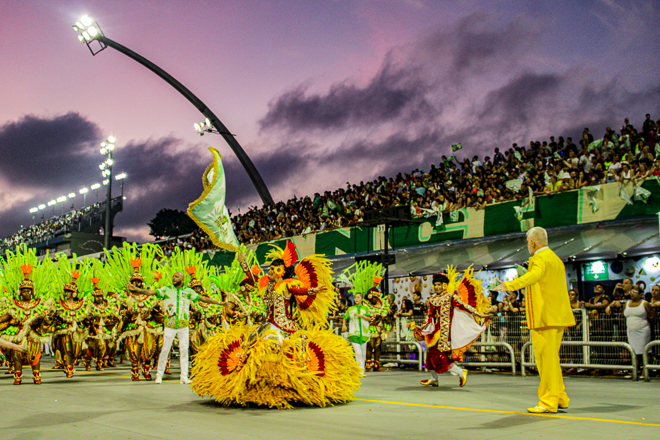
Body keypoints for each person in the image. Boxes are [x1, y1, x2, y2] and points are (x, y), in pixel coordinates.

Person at [494, 227, 575, 413]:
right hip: (557, 316)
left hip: (544, 318)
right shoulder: (555, 258)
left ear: (532, 242)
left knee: (545, 362)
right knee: (552, 360)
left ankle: (548, 402)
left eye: (527, 243)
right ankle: (560, 397)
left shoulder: (539, 259)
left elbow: (534, 276)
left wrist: (510, 285)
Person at [127, 270, 224, 384]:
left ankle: (184, 377)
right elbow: (151, 292)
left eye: (176, 277)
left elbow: (203, 299)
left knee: (184, 351)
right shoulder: (166, 289)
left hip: (184, 326)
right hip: (170, 325)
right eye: (173, 276)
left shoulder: (188, 291)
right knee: (165, 350)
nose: (174, 278)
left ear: (182, 280)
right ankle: (159, 375)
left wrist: (219, 303)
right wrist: (137, 290)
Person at [420, 271, 490, 388]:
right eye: (435, 285)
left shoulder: (450, 297)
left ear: (444, 285)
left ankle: (461, 372)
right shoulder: (432, 299)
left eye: (439, 284)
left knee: (440, 357)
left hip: (446, 333)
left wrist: (479, 315)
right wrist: (421, 327)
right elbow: (429, 316)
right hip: (435, 332)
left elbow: (464, 306)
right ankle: (434, 379)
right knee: (430, 355)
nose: (436, 287)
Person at [606, 285, 657, 376]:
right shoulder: (627, 304)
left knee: (645, 351)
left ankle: (645, 371)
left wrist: (647, 322)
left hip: (643, 330)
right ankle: (634, 371)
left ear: (641, 294)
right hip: (631, 331)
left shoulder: (644, 303)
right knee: (634, 351)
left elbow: (653, 315)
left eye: (634, 292)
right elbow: (623, 314)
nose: (632, 294)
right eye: (631, 292)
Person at [342, 293, 371, 376]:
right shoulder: (350, 309)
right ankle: (360, 371)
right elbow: (345, 317)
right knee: (358, 352)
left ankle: (362, 370)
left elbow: (369, 318)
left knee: (363, 353)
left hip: (364, 334)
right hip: (354, 333)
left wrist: (361, 316)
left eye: (358, 297)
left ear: (362, 299)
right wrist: (344, 325)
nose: (356, 299)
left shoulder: (365, 308)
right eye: (355, 297)